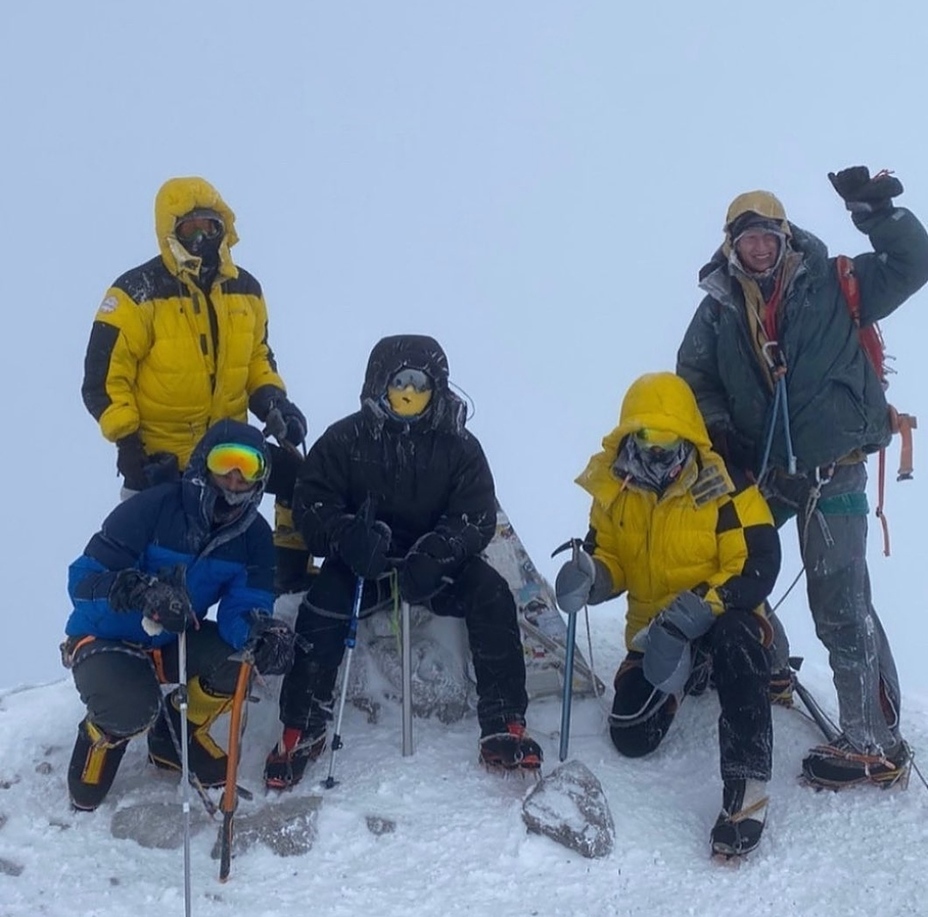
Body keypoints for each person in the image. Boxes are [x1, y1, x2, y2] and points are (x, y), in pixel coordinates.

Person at [676, 167, 928, 790]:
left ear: (785, 237)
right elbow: (694, 377)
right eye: (747, 238)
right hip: (767, 471)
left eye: (768, 234)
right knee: (730, 562)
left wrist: (876, 213)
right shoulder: (717, 309)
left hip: (836, 468)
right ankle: (768, 665)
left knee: (841, 604)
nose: (759, 246)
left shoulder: (837, 281)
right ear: (731, 245)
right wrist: (717, 429)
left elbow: (915, 261)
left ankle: (874, 742)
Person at [262, 334, 542, 789]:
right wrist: (347, 537)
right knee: (323, 604)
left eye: (420, 381)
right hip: (363, 562)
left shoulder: (459, 445)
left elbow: (476, 515)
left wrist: (439, 551)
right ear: (380, 382)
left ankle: (504, 723)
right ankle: (302, 726)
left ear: (439, 387)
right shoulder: (344, 438)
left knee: (491, 593)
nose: (409, 391)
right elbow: (312, 503)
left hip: (433, 563)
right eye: (400, 380)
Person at [554, 372, 781, 857]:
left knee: (739, 639)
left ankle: (748, 785)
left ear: (689, 436)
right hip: (655, 631)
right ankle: (686, 676)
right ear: (628, 435)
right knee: (631, 736)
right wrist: (590, 578)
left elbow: (758, 563)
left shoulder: (726, 486)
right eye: (645, 435)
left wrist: (701, 607)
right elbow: (609, 555)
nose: (656, 449)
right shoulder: (615, 489)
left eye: (667, 435)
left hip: (721, 613)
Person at [80, 175, 311, 593]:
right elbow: (102, 380)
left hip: (230, 454)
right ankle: (135, 619)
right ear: (170, 231)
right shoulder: (135, 293)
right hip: (161, 457)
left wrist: (274, 402)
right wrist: (128, 444)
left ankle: (286, 573)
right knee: (150, 545)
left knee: (301, 477)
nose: (203, 236)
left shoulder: (247, 289)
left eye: (211, 225)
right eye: (191, 228)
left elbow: (257, 356)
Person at [63, 420, 296, 811]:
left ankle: (173, 739)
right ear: (206, 463)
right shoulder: (154, 507)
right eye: (226, 463)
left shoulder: (253, 535)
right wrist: (139, 591)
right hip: (105, 638)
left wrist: (260, 630)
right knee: (130, 715)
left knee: (240, 660)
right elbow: (83, 581)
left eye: (248, 466)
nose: (235, 477)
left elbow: (244, 606)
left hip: (174, 640)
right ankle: (102, 730)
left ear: (261, 476)